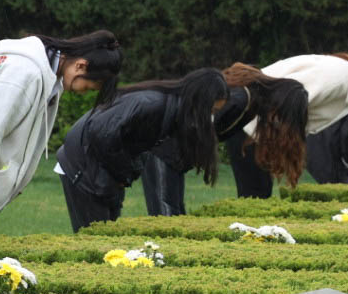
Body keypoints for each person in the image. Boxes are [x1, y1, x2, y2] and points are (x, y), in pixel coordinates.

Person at [0, 31, 122, 246]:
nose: (83, 93)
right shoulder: (25, 73)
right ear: (80, 66)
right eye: (88, 87)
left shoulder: (46, 74)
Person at [54, 68, 227, 232]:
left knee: (107, 238)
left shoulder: (172, 109)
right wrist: (123, 173)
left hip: (102, 169)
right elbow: (100, 132)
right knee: (95, 240)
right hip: (81, 165)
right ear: (200, 101)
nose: (210, 118)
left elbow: (138, 146)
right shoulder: (153, 104)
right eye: (211, 110)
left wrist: (125, 174)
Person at [141, 64, 308, 214]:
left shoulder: (250, 103)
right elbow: (192, 122)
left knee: (174, 214)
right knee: (166, 214)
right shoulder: (240, 99)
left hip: (174, 158)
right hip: (162, 152)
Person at [243, 52, 348, 188]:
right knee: (256, 191)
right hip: (250, 120)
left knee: (259, 190)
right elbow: (284, 101)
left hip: (258, 126)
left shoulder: (347, 83)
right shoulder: (337, 78)